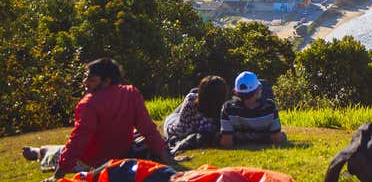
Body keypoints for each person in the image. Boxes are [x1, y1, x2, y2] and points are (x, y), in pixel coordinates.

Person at [21, 58, 173, 179]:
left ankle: (38, 152)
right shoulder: (131, 93)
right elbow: (148, 129)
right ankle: (38, 151)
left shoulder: (89, 103)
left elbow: (77, 141)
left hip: (92, 161)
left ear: (106, 81)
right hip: (121, 155)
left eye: (91, 80)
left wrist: (58, 174)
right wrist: (168, 159)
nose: (85, 83)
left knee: (56, 152)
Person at [219, 71, 286, 147]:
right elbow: (277, 139)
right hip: (264, 141)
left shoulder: (228, 108)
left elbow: (227, 142)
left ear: (236, 91)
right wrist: (283, 136)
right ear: (257, 90)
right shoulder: (269, 107)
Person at [164, 76, 227, 149]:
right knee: (193, 91)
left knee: (193, 91)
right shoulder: (214, 121)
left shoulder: (191, 100)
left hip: (175, 125)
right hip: (175, 125)